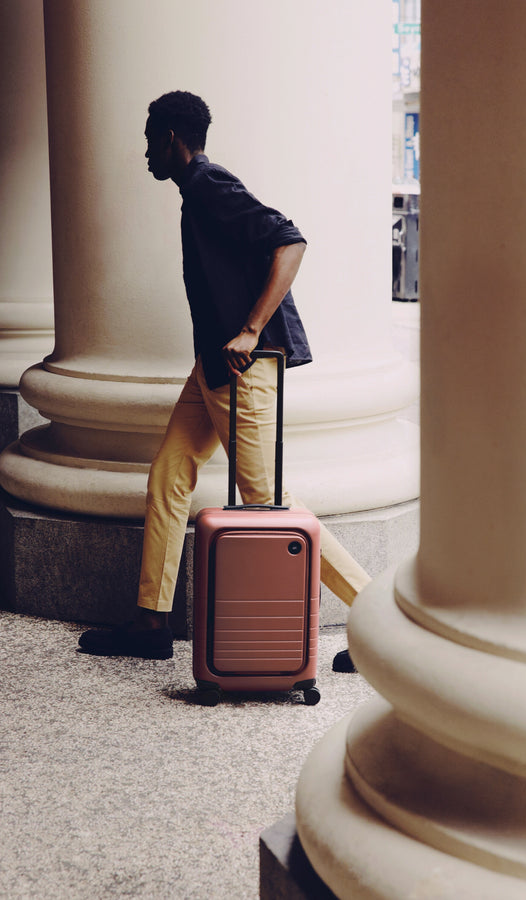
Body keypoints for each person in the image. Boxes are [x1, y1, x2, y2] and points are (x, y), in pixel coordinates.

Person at [78, 91, 367, 672]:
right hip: (213, 367)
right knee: (169, 473)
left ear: (171, 138)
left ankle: (377, 622)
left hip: (242, 370)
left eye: (148, 138)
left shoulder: (210, 185)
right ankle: (152, 622)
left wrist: (251, 330)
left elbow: (290, 241)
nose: (144, 153)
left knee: (267, 503)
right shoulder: (197, 193)